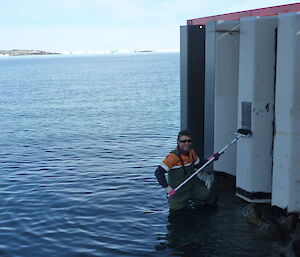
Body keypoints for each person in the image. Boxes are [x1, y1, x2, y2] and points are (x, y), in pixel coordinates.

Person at [154, 130, 220, 211]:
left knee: (210, 197)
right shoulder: (172, 158)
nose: (186, 143)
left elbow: (198, 165)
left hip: (191, 187)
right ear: (178, 142)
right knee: (178, 215)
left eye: (189, 141)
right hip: (178, 193)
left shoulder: (191, 152)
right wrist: (168, 188)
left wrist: (211, 159)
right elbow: (158, 172)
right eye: (183, 141)